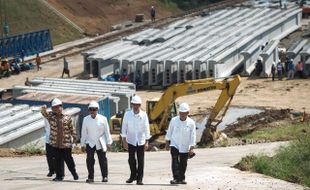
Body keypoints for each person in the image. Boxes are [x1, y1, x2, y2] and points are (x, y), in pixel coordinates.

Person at [41, 98, 79, 181]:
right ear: (52, 109)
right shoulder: (51, 116)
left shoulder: (67, 117)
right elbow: (44, 114)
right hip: (55, 143)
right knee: (57, 161)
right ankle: (59, 176)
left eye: (58, 107)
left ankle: (74, 172)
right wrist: (43, 109)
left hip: (66, 144)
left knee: (69, 160)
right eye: (54, 107)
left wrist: (75, 137)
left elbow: (72, 128)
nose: (57, 109)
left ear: (61, 107)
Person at [121, 95, 150, 185]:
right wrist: (124, 141)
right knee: (131, 160)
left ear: (140, 105)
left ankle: (139, 179)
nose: (136, 106)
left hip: (141, 141)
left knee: (141, 160)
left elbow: (146, 128)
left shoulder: (144, 115)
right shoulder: (127, 114)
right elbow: (124, 127)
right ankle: (133, 175)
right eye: (134, 104)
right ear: (132, 105)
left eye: (137, 104)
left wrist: (147, 141)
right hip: (131, 140)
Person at [80, 101, 113, 183]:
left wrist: (109, 142)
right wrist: (82, 144)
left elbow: (107, 131)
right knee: (89, 160)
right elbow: (84, 132)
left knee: (102, 160)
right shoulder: (86, 119)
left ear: (97, 109)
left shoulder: (103, 119)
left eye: (94, 109)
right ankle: (90, 177)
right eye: (90, 109)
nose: (92, 111)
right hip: (90, 142)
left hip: (100, 142)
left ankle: (105, 176)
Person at [165, 103, 196, 185]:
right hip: (174, 143)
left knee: (183, 163)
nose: (182, 115)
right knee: (174, 160)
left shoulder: (191, 123)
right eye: (180, 113)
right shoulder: (174, 120)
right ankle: (175, 178)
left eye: (184, 113)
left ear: (187, 113)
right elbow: (169, 131)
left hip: (185, 145)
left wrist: (192, 147)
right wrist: (167, 142)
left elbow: (193, 135)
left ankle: (181, 178)